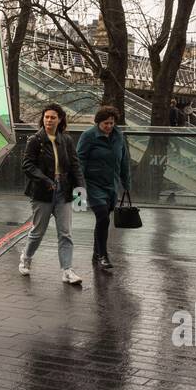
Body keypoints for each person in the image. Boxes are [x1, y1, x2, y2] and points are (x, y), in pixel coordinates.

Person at [19, 103, 84, 285]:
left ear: (60, 119)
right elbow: (27, 166)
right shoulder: (35, 140)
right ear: (43, 119)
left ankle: (67, 271)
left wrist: (81, 190)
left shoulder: (66, 140)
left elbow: (75, 166)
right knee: (38, 232)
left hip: (63, 191)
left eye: (53, 117)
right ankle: (26, 256)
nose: (49, 120)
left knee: (65, 233)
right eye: (46, 117)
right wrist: (46, 180)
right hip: (42, 192)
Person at [76, 104, 131, 274]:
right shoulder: (88, 136)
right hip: (93, 184)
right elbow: (79, 161)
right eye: (105, 123)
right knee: (103, 218)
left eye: (111, 123)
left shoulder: (119, 137)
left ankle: (95, 253)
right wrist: (79, 188)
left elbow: (124, 161)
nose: (108, 126)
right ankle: (103, 255)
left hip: (111, 185)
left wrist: (126, 184)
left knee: (103, 219)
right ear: (98, 123)